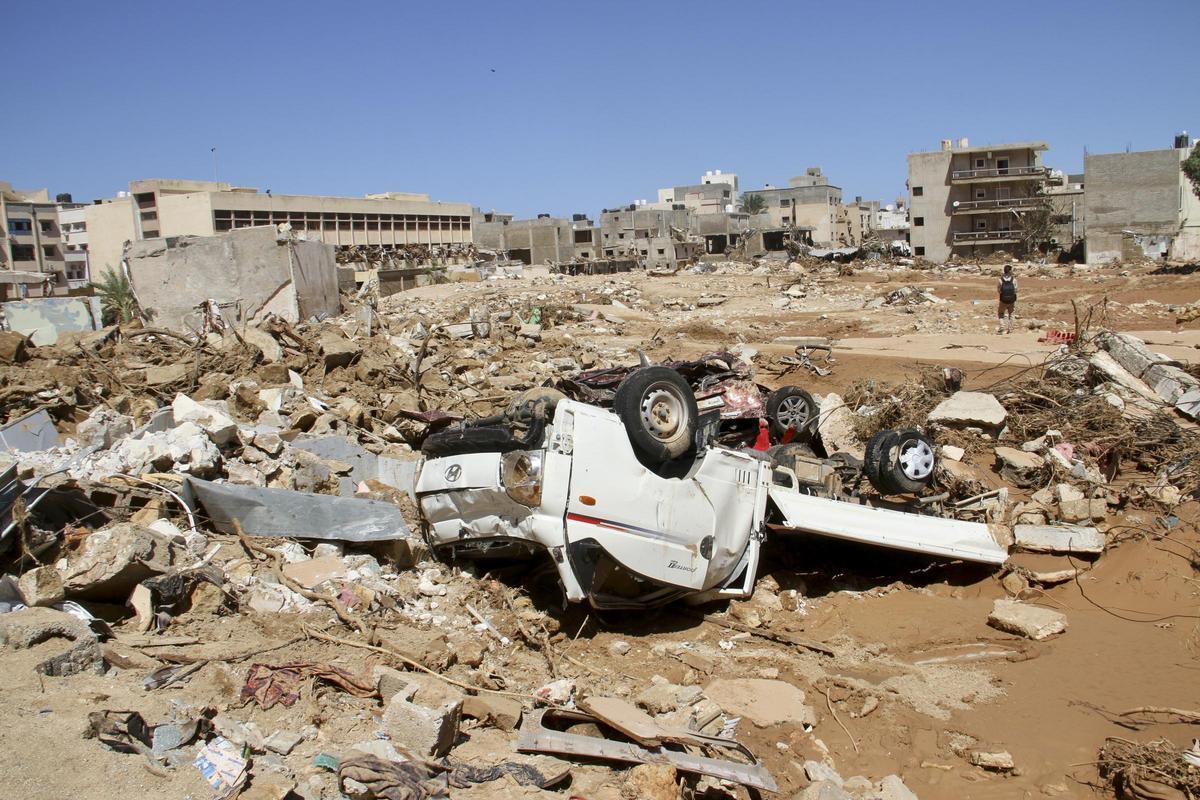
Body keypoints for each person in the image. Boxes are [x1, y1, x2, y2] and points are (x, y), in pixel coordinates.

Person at [997, 264, 1017, 334]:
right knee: (1011, 314)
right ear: (1010, 271)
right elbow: (1016, 290)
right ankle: (1010, 329)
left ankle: (1002, 326)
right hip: (1012, 300)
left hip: (1003, 300)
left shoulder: (1000, 280)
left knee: (1000, 313)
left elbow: (999, 290)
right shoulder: (1014, 280)